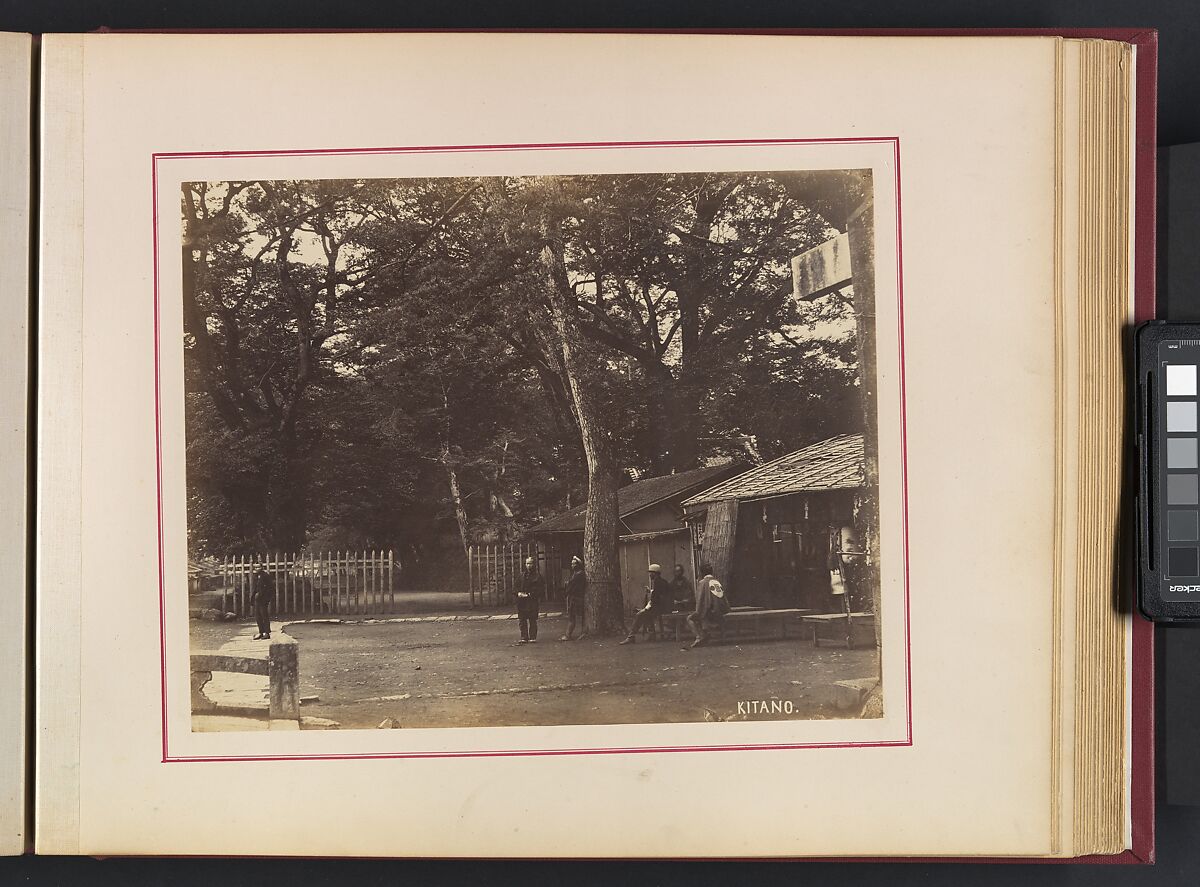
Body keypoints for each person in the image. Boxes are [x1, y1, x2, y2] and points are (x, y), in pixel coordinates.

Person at [619, 564, 672, 645]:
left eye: (651, 573)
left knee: (639, 615)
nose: (650, 575)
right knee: (646, 614)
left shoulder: (658, 582)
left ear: (656, 573)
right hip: (664, 607)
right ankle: (652, 635)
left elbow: (655, 600)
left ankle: (631, 637)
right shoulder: (661, 581)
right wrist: (650, 591)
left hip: (661, 608)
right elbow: (657, 593)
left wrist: (645, 609)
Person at [687, 564, 728, 647]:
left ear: (701, 573)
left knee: (690, 618)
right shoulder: (716, 581)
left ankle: (699, 637)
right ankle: (705, 635)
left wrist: (698, 611)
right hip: (719, 612)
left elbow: (700, 600)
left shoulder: (703, 583)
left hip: (709, 613)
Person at [516, 556, 544, 644]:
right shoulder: (521, 575)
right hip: (522, 602)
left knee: (532, 619)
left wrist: (529, 594)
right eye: (527, 563)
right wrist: (518, 593)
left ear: (534, 564)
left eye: (531, 563)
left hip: (532, 601)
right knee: (522, 619)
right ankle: (524, 636)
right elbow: (515, 587)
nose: (529, 565)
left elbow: (540, 589)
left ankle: (532, 637)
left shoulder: (537, 576)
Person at [560, 555, 587, 641]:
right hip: (574, 598)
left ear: (578, 565)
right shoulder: (575, 574)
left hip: (577, 598)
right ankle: (570, 634)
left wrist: (567, 589)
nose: (572, 566)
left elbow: (572, 587)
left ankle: (568, 635)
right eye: (572, 564)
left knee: (574, 617)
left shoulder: (579, 574)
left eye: (574, 564)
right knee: (573, 616)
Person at [251, 566, 275, 641]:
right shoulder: (256, 576)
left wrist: (264, 596)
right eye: (255, 567)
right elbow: (256, 588)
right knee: (258, 616)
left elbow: (270, 588)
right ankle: (261, 632)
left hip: (263, 599)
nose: (256, 569)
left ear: (261, 568)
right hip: (257, 599)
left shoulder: (266, 576)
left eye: (258, 567)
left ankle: (267, 633)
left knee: (264, 615)